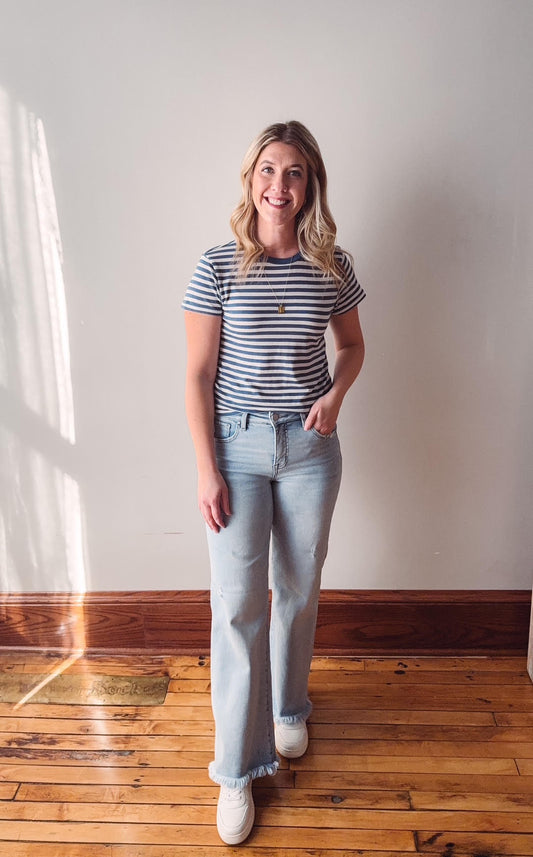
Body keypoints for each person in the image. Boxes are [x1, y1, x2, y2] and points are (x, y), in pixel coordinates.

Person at [183, 120, 365, 845]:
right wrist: (206, 467)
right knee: (236, 606)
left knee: (297, 585)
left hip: (311, 449)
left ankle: (289, 710)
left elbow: (351, 346)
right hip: (236, 448)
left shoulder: (332, 264)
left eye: (292, 172)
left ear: (309, 183)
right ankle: (234, 768)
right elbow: (197, 375)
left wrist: (335, 395)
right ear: (250, 179)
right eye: (267, 169)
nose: (278, 185)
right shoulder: (217, 266)